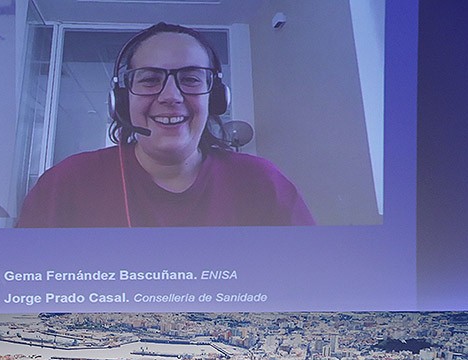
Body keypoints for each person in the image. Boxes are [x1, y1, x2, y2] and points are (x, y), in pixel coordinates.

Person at [16, 22, 314, 228]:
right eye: (149, 79)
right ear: (121, 100)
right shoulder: (66, 183)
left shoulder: (262, 183)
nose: (171, 96)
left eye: (191, 79)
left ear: (217, 98)